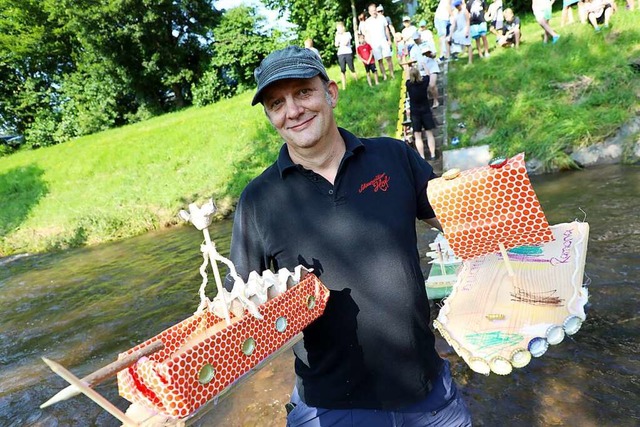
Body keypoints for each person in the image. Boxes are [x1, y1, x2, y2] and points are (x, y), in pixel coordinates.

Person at [230, 45, 472, 427]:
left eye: (303, 92)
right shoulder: (258, 201)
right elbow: (239, 310)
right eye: (277, 103)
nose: (292, 111)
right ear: (270, 115)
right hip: (331, 406)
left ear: (331, 92)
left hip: (427, 391)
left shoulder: (394, 157)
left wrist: (530, 258)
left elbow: (464, 224)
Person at [406, 66, 437, 160]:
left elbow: (407, 77)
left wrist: (407, 68)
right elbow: (428, 74)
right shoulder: (424, 82)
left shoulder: (409, 85)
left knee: (417, 135)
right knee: (429, 133)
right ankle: (433, 155)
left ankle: (422, 157)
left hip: (415, 113)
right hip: (426, 110)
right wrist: (424, 65)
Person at [363, 3, 395, 80]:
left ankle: (392, 74)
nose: (373, 12)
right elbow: (367, 34)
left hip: (383, 40)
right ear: (369, 12)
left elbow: (386, 29)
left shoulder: (382, 18)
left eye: (374, 10)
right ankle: (384, 76)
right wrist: (369, 44)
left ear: (376, 10)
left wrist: (389, 40)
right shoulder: (367, 21)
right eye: (372, 11)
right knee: (380, 60)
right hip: (374, 43)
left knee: (388, 58)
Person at [334, 21, 358, 90]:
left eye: (339, 28)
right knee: (343, 70)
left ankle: (356, 81)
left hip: (348, 52)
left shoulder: (347, 34)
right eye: (337, 29)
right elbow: (336, 44)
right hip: (341, 54)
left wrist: (340, 41)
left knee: (351, 68)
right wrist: (337, 37)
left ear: (343, 27)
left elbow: (345, 43)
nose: (339, 30)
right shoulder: (337, 36)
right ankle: (344, 86)